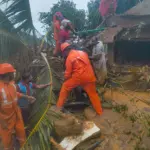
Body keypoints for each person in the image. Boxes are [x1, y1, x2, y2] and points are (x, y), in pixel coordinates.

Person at [56, 43, 103, 115]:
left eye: (63, 53)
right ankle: (100, 112)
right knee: (93, 95)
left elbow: (68, 74)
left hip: (78, 78)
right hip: (90, 77)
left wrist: (65, 79)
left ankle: (58, 108)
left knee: (65, 87)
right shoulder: (83, 53)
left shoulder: (69, 58)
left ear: (65, 51)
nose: (63, 55)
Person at [0, 63, 35, 150]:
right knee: (7, 140)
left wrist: (28, 97)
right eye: (12, 73)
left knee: (21, 133)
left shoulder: (12, 84)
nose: (14, 74)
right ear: (8, 74)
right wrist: (2, 122)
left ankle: (23, 147)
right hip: (5, 119)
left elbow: (16, 94)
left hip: (16, 115)